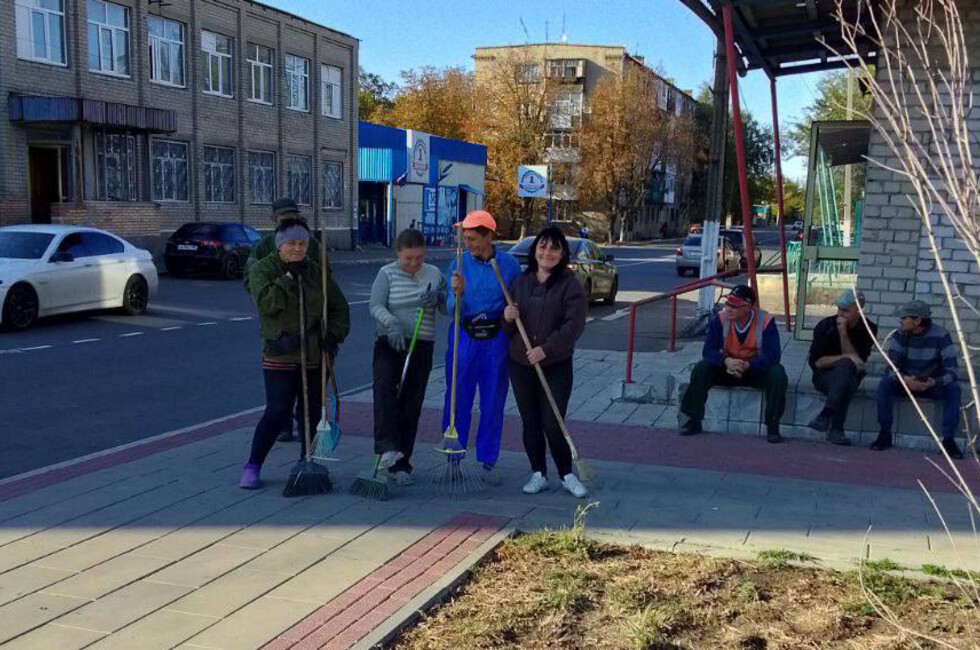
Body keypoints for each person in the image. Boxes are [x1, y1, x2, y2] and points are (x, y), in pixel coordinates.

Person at [239, 218, 350, 489]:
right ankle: (253, 464)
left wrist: (332, 337)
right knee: (277, 411)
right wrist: (289, 276)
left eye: (302, 243)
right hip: (280, 353)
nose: (298, 249)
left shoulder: (316, 272)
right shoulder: (263, 270)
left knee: (311, 411)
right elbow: (267, 304)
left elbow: (339, 308)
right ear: (280, 245)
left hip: (315, 354)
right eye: (292, 243)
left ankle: (307, 462)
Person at [503, 227, 588, 498]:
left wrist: (547, 349)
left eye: (554, 248)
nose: (547, 253)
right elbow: (508, 327)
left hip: (555, 364)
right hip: (520, 362)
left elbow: (574, 325)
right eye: (542, 247)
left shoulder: (569, 284)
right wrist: (506, 316)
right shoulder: (521, 282)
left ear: (562, 253)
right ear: (535, 250)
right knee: (530, 421)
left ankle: (566, 474)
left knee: (553, 421)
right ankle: (538, 473)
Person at [444, 210, 521, 485]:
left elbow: (517, 302)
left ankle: (488, 460)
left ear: (490, 236)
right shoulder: (458, 263)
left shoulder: (508, 264)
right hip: (464, 337)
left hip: (495, 339)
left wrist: (509, 313)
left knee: (492, 401)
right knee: (457, 397)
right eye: (465, 238)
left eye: (474, 238)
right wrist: (456, 294)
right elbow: (449, 309)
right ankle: (453, 455)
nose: (468, 244)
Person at [245, 198, 331, 442]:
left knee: (310, 402)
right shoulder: (263, 247)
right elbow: (251, 282)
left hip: (312, 333)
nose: (296, 247)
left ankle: (307, 448)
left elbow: (327, 283)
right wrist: (275, 286)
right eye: (283, 218)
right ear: (274, 221)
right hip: (280, 330)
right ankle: (284, 425)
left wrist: (331, 335)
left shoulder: (312, 244)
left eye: (293, 215)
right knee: (280, 398)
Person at [369, 229, 447, 486]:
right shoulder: (387, 273)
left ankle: (402, 465)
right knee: (385, 393)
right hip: (390, 342)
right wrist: (391, 323)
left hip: (421, 345)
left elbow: (447, 307)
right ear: (397, 254)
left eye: (419, 258)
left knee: (411, 404)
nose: (414, 264)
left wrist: (438, 298)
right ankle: (386, 448)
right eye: (408, 259)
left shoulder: (434, 274)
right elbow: (375, 305)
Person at [679, 284, 788, 443]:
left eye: (734, 306)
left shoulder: (765, 321)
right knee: (701, 368)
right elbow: (708, 351)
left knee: (778, 373)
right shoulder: (721, 319)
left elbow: (773, 355)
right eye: (727, 304)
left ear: (748, 307)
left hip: (753, 371)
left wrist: (749, 365)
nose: (728, 309)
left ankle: (773, 426)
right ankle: (693, 420)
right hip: (727, 369)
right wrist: (726, 361)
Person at [872, 300, 964, 458]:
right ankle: (884, 434)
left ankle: (948, 441)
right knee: (885, 383)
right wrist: (905, 380)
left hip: (930, 384)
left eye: (904, 317)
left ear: (917, 320)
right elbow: (889, 367)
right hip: (905, 382)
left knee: (954, 388)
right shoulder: (899, 334)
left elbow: (953, 371)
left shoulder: (941, 335)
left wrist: (934, 382)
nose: (900, 321)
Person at [806, 290, 879, 446]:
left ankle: (827, 414)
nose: (840, 314)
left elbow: (858, 363)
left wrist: (843, 333)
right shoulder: (825, 325)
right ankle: (836, 429)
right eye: (839, 309)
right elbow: (816, 363)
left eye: (846, 310)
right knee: (846, 374)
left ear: (858, 310)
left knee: (846, 374)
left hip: (851, 376)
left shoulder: (869, 328)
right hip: (823, 377)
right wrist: (845, 358)